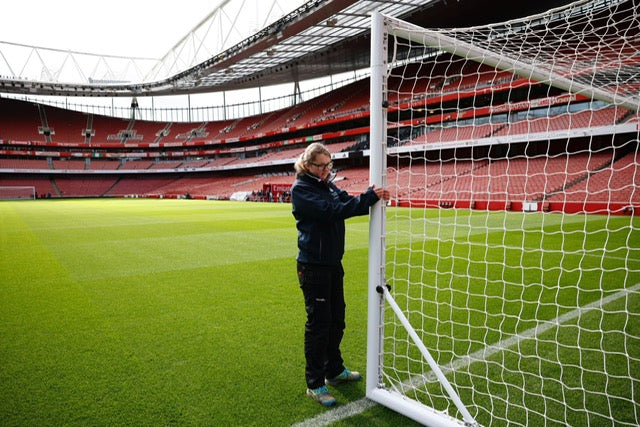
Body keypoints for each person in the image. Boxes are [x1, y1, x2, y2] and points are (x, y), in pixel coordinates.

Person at [291, 142, 390, 406]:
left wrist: (370, 194)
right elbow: (333, 211)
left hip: (333, 264)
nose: (325, 170)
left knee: (337, 320)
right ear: (308, 165)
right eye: (320, 166)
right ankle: (314, 383)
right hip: (314, 267)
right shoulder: (302, 189)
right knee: (318, 325)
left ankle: (333, 370)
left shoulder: (327, 185)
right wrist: (368, 199)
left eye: (328, 165)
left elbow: (345, 200)